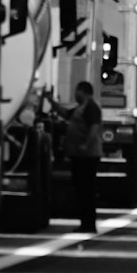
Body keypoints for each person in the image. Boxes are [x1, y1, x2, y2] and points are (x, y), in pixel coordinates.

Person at [47, 80, 103, 233]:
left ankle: (89, 224)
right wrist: (51, 101)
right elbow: (65, 114)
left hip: (88, 156)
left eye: (76, 91)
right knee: (81, 189)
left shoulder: (91, 107)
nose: (75, 94)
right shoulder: (81, 108)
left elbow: (94, 127)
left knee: (86, 190)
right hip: (79, 155)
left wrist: (86, 144)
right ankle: (85, 223)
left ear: (83, 92)